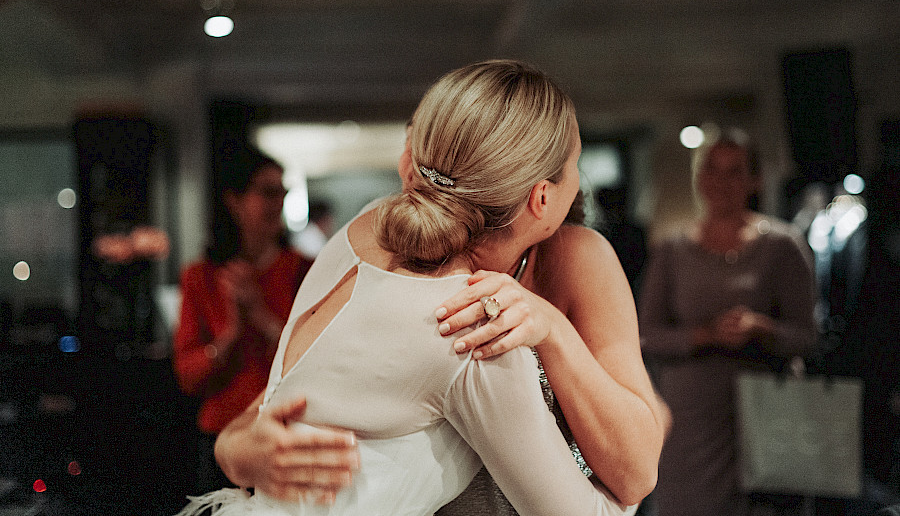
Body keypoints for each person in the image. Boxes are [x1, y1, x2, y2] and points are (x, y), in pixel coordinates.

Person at [179, 60, 655, 516]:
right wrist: (236, 448)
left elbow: (635, 460)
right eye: (573, 163)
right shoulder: (468, 324)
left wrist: (550, 325)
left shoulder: (361, 235)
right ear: (542, 197)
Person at [637, 128, 818, 516]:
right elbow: (645, 336)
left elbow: (808, 337)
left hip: (768, 416)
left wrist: (762, 329)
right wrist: (704, 334)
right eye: (712, 170)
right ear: (699, 178)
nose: (721, 182)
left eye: (735, 171)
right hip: (690, 424)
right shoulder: (672, 250)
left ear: (755, 179)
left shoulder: (783, 246)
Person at [173, 147, 313, 495]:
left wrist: (262, 316)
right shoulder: (200, 276)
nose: (277, 202)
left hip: (285, 430)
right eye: (267, 192)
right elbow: (187, 376)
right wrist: (231, 335)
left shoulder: (304, 270)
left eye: (282, 192)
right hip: (220, 434)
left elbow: (315, 357)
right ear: (234, 202)